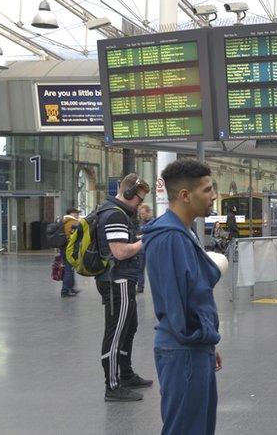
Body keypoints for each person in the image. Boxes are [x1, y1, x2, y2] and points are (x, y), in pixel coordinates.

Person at [143, 160, 221, 434]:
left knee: (198, 426)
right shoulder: (170, 238)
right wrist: (202, 336)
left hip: (193, 347)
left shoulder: (182, 232)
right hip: (184, 349)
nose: (213, 196)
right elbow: (178, 307)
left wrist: (208, 344)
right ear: (185, 195)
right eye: (207, 190)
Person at [96, 173, 152, 402]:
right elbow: (120, 252)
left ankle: (126, 374)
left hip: (122, 279)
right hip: (116, 280)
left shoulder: (117, 213)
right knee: (116, 333)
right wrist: (144, 240)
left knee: (129, 327)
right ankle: (112, 386)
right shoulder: (115, 216)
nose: (140, 204)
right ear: (129, 194)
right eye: (139, 199)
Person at [60, 207, 81, 297]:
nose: (78, 215)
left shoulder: (63, 220)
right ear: (72, 213)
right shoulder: (72, 222)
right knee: (69, 269)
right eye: (76, 213)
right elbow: (73, 237)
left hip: (63, 248)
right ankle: (65, 290)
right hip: (69, 249)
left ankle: (70, 288)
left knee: (70, 269)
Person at [135, 203, 154, 294]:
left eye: (143, 214)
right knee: (140, 268)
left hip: (150, 249)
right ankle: (140, 287)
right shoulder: (141, 222)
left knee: (153, 269)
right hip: (141, 249)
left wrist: (140, 237)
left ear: (148, 212)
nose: (141, 216)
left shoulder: (153, 222)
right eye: (140, 214)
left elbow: (149, 234)